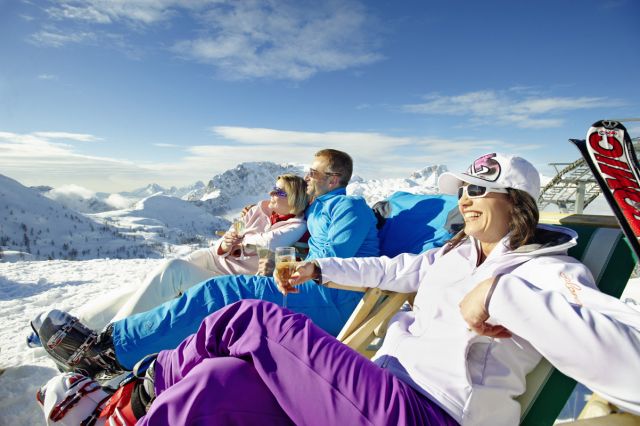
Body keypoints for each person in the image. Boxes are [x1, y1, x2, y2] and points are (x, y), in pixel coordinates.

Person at [36, 152, 640, 425]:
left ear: (519, 204)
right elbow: (391, 270)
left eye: (479, 191)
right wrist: (318, 270)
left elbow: (629, 369)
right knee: (215, 386)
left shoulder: (547, 273)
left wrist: (503, 296)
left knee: (249, 318)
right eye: (463, 190)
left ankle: (126, 395)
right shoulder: (454, 254)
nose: (464, 200)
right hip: (377, 388)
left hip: (427, 413)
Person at [33, 149, 380, 376]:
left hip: (332, 298)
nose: (306, 177)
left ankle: (108, 356)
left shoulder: (347, 207)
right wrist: (260, 213)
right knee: (183, 281)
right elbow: (297, 215)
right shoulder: (320, 206)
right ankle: (98, 336)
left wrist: (282, 260)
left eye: (313, 172)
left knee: (219, 293)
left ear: (333, 179)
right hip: (312, 287)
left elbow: (331, 261)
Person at [73, 173, 309, 330]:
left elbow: (269, 243)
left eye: (279, 192)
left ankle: (111, 336)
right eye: (273, 189)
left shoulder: (295, 225)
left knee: (172, 271)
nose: (271, 194)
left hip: (228, 279)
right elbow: (233, 231)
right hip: (213, 259)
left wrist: (243, 241)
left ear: (293, 199)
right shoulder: (259, 208)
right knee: (153, 280)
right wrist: (227, 243)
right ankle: (83, 323)